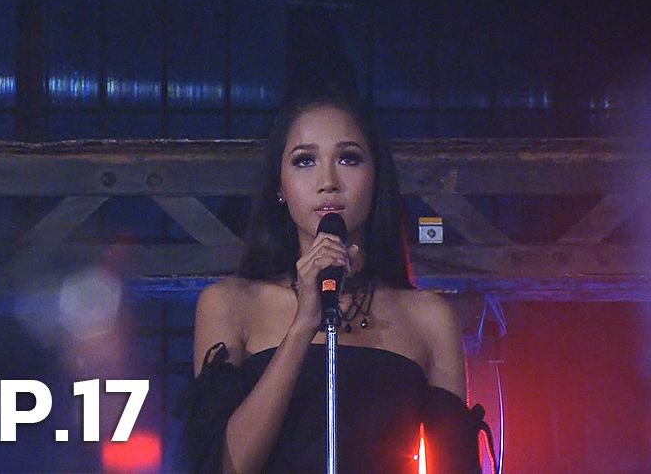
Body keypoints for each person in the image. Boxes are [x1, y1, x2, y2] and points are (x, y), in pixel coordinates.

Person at [182, 93, 489, 473]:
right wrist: (303, 324)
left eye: (348, 158)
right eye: (304, 161)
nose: (328, 182)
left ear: (376, 178)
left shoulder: (427, 316)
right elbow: (224, 467)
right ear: (279, 186)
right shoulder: (230, 303)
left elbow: (456, 464)